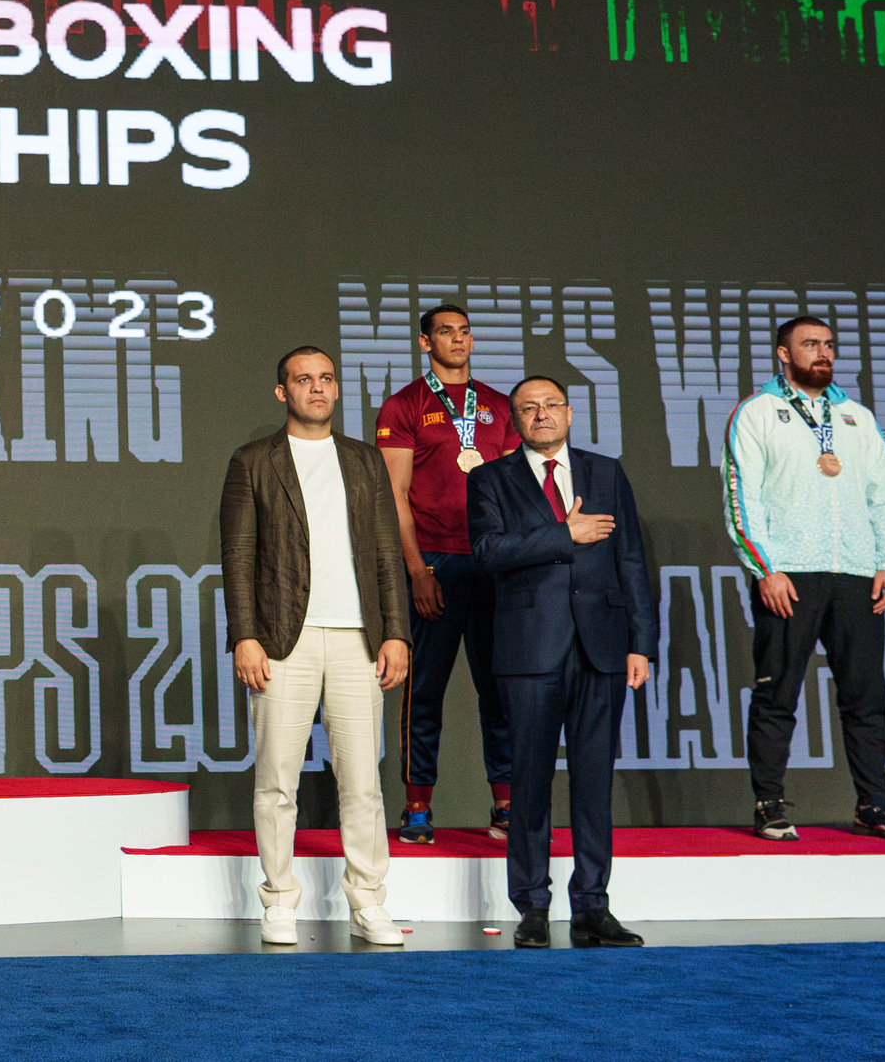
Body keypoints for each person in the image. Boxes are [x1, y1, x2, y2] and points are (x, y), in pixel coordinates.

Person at [221, 346, 411, 949]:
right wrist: (245, 636)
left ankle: (369, 903)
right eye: (304, 380)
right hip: (281, 639)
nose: (318, 388)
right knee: (277, 780)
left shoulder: (363, 461)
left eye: (326, 379)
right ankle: (278, 902)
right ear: (284, 392)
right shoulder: (253, 461)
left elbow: (386, 552)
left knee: (362, 782)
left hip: (358, 639)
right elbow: (238, 557)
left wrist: (396, 632)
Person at [468, 376, 655, 947]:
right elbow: (488, 553)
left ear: (570, 414)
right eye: (529, 408)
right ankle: (531, 907)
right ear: (515, 420)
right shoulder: (489, 479)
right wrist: (561, 533)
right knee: (528, 783)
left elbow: (631, 558)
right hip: (529, 648)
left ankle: (593, 907)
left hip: (601, 645)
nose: (542, 415)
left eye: (551, 406)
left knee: (595, 782)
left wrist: (640, 641)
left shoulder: (606, 472)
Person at [721, 316, 885, 842]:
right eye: (810, 345)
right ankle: (769, 804)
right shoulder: (757, 412)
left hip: (857, 572)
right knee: (777, 692)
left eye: (828, 345)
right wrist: (766, 568)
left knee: (866, 695)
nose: (823, 353)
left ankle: (873, 804)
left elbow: (883, 495)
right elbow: (744, 500)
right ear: (784, 354)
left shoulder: (856, 417)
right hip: (789, 574)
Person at [373, 304, 518, 843]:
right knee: (424, 692)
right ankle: (416, 809)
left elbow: (510, 492)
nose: (457, 340)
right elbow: (393, 496)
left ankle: (505, 806)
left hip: (491, 563)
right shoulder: (404, 405)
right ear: (424, 343)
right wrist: (417, 571)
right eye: (444, 333)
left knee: (500, 688)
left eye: (464, 332)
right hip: (435, 560)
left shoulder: (501, 406)